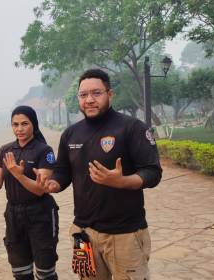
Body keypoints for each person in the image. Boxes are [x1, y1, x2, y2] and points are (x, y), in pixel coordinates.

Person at [39, 69, 162, 280]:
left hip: (125, 234)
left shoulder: (132, 128)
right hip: (84, 233)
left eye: (96, 93)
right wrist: (53, 185)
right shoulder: (70, 134)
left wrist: (122, 181)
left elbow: (153, 172)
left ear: (110, 94)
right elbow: (63, 172)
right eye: (83, 95)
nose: (89, 100)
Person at [0, 105, 59, 280]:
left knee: (45, 269)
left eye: (24, 124)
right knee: (20, 270)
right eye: (15, 124)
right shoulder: (6, 150)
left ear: (34, 125)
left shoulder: (44, 151)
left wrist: (18, 175)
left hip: (40, 213)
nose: (19, 129)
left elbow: (39, 190)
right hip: (14, 213)